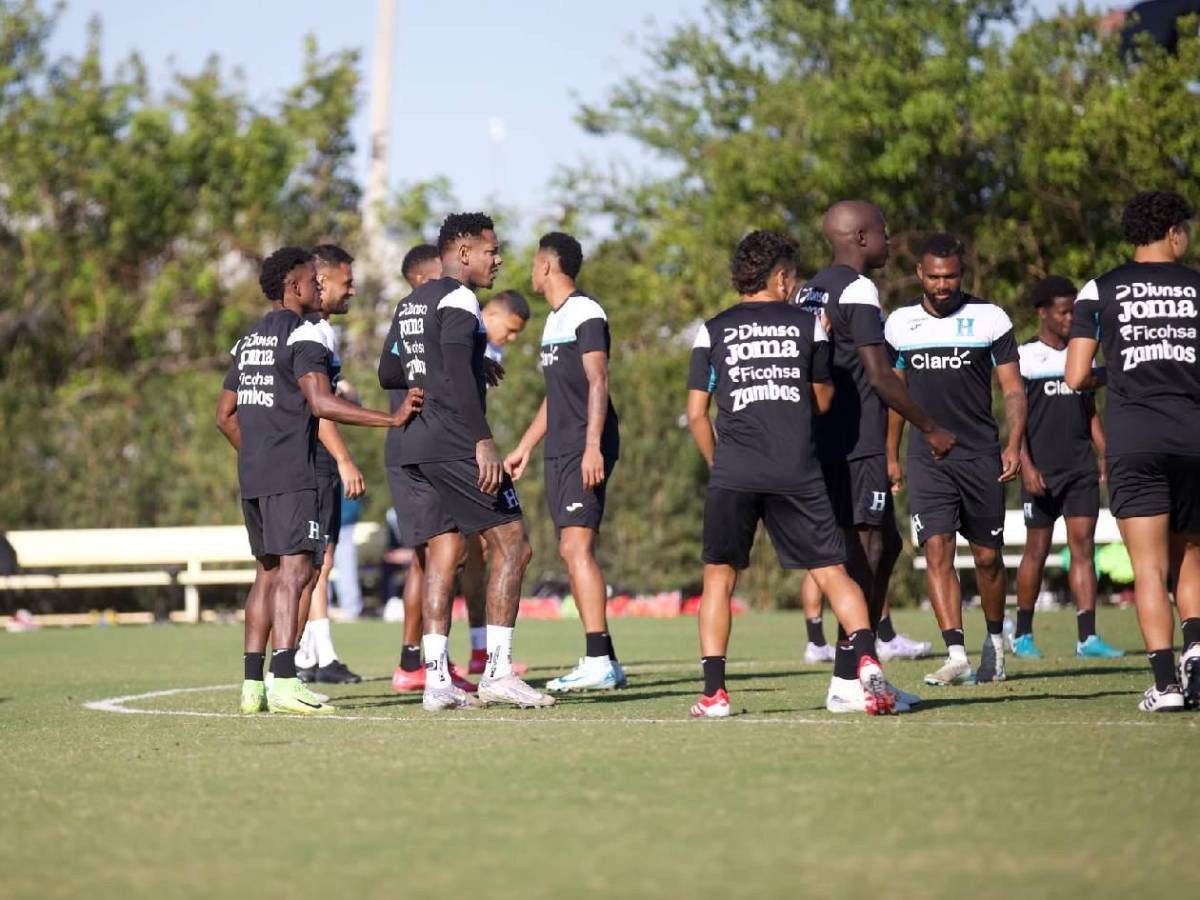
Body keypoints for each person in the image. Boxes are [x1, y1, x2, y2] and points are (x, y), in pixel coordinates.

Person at [685, 230, 895, 718]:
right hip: (797, 469)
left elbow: (696, 413)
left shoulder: (712, 329)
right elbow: (824, 398)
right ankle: (865, 659)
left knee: (719, 578)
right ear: (780, 278)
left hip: (734, 471)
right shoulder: (809, 325)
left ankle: (715, 693)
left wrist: (718, 462)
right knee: (831, 571)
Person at [216, 246, 421, 715]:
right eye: (313, 280)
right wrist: (390, 421)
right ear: (294, 286)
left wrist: (256, 455)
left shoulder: (249, 339)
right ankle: (286, 680)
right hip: (294, 474)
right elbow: (322, 403)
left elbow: (224, 415)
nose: (319, 287)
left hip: (254, 476)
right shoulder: (305, 334)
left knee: (266, 574)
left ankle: (254, 687)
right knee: (295, 572)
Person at [379, 213, 553, 711]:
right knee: (514, 546)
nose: (498, 260)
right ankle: (496, 672)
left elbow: (389, 369)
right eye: (490, 251)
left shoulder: (411, 301)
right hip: (455, 442)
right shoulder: (460, 298)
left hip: (412, 445)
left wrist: (465, 363)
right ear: (461, 254)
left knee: (444, 555)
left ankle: (436, 681)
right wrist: (483, 440)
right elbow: (453, 371)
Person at [794, 201, 953, 708]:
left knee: (879, 546)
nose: (888, 239)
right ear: (861, 237)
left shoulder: (809, 288)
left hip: (823, 441)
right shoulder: (859, 288)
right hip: (855, 442)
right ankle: (849, 680)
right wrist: (929, 426)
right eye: (883, 231)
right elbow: (881, 375)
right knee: (868, 551)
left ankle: (857, 672)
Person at [1066, 190, 1200, 712]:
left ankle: (1164, 685)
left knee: (1147, 567)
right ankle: (1196, 650)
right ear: (1172, 232)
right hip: (1193, 438)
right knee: (1192, 556)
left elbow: (1076, 374)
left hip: (1133, 439)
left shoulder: (1100, 289)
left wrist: (1114, 372)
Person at [885, 233, 1026, 687]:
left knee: (987, 558)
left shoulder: (989, 318)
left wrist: (1015, 443)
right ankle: (955, 653)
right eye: (935, 277)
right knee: (936, 548)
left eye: (951, 277)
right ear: (920, 274)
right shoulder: (900, 324)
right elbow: (893, 396)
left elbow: (1013, 389)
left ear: (961, 274)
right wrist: (891, 455)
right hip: (927, 459)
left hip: (981, 453)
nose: (943, 285)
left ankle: (995, 644)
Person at [506, 232, 625, 692]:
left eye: (534, 263)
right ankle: (608, 661)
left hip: (583, 446)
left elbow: (598, 381)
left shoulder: (586, 311)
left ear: (547, 266)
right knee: (568, 550)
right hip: (560, 446)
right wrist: (525, 445)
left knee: (576, 550)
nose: (531, 270)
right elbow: (558, 397)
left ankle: (596, 661)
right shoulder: (553, 321)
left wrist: (593, 445)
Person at [1012, 275, 1123, 659]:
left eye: (1075, 312)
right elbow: (1016, 422)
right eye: (1064, 312)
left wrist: (1104, 451)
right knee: (1037, 551)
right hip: (1040, 471)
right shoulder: (1023, 357)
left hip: (1080, 470)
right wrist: (1025, 465)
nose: (1070, 319)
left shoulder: (1083, 355)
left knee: (1083, 549)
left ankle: (1087, 637)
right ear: (1042, 313)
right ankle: (1022, 634)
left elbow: (1089, 410)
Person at [293, 243, 365, 685]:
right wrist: (344, 459)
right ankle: (298, 658)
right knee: (308, 563)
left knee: (321, 561)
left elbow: (328, 394)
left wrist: (347, 394)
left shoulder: (323, 331)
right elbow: (315, 408)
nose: (352, 290)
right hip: (312, 463)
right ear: (322, 281)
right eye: (348, 280)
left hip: (313, 462)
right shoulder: (311, 331)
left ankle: (316, 654)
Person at [461, 289, 531, 674]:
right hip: (456, 455)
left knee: (478, 554)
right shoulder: (462, 329)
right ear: (489, 313)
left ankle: (480, 653)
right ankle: (421, 662)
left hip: (475, 453)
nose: (512, 339)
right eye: (510, 328)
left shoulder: (492, 352)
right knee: (448, 556)